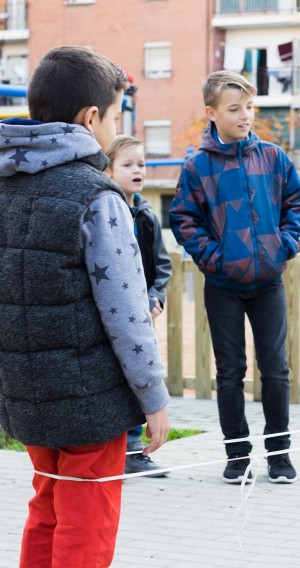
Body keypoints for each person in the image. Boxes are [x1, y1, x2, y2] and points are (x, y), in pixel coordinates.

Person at [0, 45, 171, 567]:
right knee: (87, 518)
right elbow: (128, 312)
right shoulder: (96, 196)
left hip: (22, 389)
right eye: (116, 117)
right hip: (89, 397)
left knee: (48, 506)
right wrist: (153, 397)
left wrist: (6, 372)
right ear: (91, 118)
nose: (115, 129)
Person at [169, 70, 300, 485]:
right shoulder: (197, 167)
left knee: (276, 369)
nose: (245, 115)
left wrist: (284, 244)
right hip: (223, 287)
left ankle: (279, 456)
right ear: (211, 113)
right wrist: (215, 259)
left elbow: (294, 202)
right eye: (234, 109)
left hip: (268, 283)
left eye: (249, 107)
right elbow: (184, 219)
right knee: (230, 372)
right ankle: (237, 456)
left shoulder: (274, 157)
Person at [105, 135, 173, 478]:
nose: (138, 171)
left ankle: (134, 450)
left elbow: (162, 266)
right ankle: (116, 449)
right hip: (116, 313)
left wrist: (155, 296)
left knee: (140, 376)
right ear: (108, 170)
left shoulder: (147, 216)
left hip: (142, 315)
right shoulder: (105, 211)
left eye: (142, 164)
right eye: (128, 164)